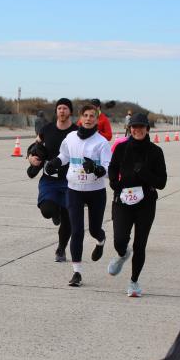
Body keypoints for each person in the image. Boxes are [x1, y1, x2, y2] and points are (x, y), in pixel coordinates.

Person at [45, 104, 112, 287]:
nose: (89, 119)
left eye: (92, 116)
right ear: (80, 118)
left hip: (96, 192)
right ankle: (77, 273)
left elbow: (108, 169)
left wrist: (97, 168)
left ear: (97, 119)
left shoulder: (101, 142)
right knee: (77, 231)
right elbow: (64, 156)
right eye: (86, 115)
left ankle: (101, 240)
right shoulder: (71, 137)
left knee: (94, 230)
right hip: (74, 190)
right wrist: (55, 162)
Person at [106, 113, 166, 297]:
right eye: (134, 127)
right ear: (129, 129)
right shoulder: (121, 148)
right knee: (119, 240)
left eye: (141, 126)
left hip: (146, 203)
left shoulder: (155, 151)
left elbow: (161, 182)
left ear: (147, 129)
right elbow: (112, 168)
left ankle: (134, 282)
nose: (137, 130)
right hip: (123, 201)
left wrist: (144, 172)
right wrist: (114, 183)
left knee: (140, 244)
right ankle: (122, 254)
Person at [27, 98, 77, 262]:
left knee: (68, 218)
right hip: (50, 179)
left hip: (71, 180)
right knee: (47, 210)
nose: (62, 111)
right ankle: (57, 213)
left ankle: (61, 249)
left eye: (65, 108)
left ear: (70, 111)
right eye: (59, 108)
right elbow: (34, 147)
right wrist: (31, 158)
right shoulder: (46, 129)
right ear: (56, 111)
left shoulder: (76, 132)